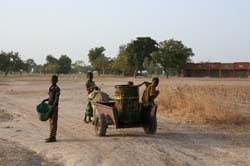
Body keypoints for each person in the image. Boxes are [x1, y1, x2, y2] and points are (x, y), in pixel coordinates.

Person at [42, 75, 60, 143]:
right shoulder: (51, 87)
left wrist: (53, 106)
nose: (52, 81)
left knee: (54, 122)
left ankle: (53, 137)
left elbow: (56, 99)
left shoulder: (57, 88)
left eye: (54, 80)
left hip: (54, 107)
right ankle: (51, 136)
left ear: (57, 81)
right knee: (50, 121)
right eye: (52, 80)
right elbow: (50, 97)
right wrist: (45, 100)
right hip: (50, 106)